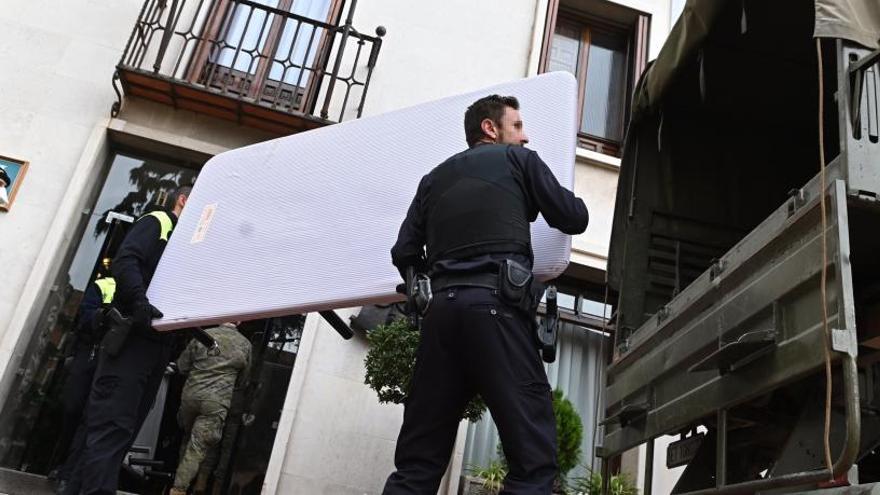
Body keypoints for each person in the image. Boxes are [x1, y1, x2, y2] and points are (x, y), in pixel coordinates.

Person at [384, 95, 589, 494]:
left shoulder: (433, 179)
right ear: (490, 129)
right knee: (533, 463)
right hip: (498, 311)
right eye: (517, 127)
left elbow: (404, 252)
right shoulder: (520, 161)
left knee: (417, 464)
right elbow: (573, 217)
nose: (525, 136)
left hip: (441, 316)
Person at [64, 186, 191, 495]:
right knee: (112, 427)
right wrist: (139, 303)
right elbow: (126, 260)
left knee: (122, 431)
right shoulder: (159, 221)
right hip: (132, 340)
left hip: (155, 345)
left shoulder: (183, 242)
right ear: (184, 200)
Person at [52, 269, 116, 491]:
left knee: (90, 418)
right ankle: (59, 463)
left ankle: (67, 473)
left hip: (113, 357)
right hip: (90, 350)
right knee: (72, 407)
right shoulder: (104, 285)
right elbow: (86, 315)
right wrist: (101, 317)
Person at [169, 322, 251, 495]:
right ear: (240, 321)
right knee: (199, 445)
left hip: (191, 396)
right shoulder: (245, 345)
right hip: (216, 402)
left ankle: (180, 480)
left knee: (187, 438)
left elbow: (182, 366)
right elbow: (242, 381)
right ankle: (180, 489)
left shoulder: (202, 336)